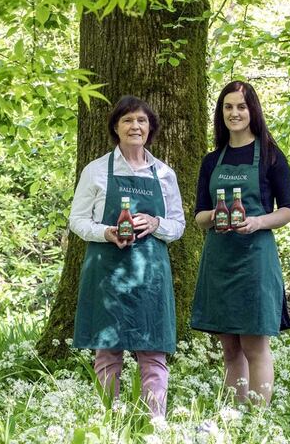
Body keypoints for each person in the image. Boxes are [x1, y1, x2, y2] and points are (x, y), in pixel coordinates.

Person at [70, 95, 186, 418]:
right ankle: (109, 423)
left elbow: (178, 225)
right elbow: (77, 220)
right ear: (116, 127)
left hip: (151, 276)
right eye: (128, 120)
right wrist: (106, 232)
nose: (135, 126)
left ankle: (154, 425)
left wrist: (156, 223)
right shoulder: (95, 171)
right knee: (107, 353)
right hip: (107, 274)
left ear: (150, 129)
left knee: (154, 353)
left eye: (142, 121)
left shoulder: (164, 175)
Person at [190, 80, 290, 405]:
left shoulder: (270, 155)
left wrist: (257, 222)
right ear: (220, 113)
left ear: (253, 111)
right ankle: (235, 419)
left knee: (254, 346)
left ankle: (257, 423)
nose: (234, 113)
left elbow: (289, 210)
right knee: (230, 347)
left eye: (241, 106)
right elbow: (198, 215)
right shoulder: (211, 161)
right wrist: (215, 216)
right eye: (228, 107)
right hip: (220, 260)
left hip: (255, 261)